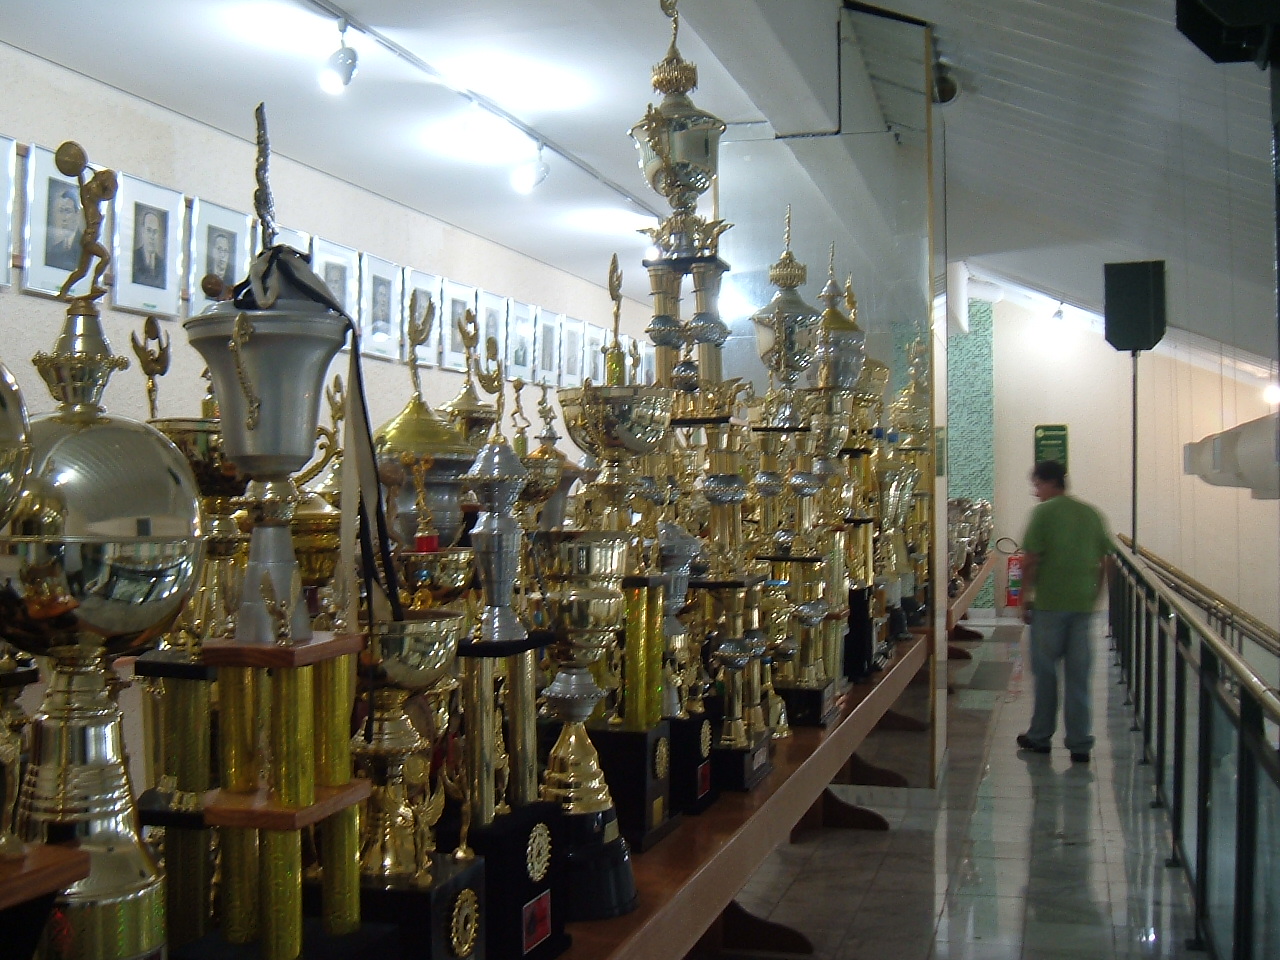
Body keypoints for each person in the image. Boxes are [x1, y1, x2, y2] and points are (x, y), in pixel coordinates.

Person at [1016, 459, 1112, 762]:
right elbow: (1105, 559)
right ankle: (1080, 743)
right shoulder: (1091, 514)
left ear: (1047, 483)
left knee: (1045, 675)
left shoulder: (1042, 514)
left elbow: (1030, 559)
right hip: (1082, 606)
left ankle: (1041, 737)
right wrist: (1096, 595)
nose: (1035, 493)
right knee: (1078, 677)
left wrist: (1024, 598)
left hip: (1050, 604)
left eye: (1037, 485)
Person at [44, 183, 82, 271]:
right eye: (61, 211)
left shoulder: (84, 245)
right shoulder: (54, 250)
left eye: (68, 211)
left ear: (77, 214)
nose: (63, 218)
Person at [132, 207, 166, 288]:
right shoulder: (133, 258)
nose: (152, 236)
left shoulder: (163, 264)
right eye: (149, 230)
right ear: (142, 230)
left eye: (155, 232)